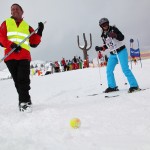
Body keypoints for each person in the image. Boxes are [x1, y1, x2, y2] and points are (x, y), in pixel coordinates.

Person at [0, 3, 44, 112]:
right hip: (10, 56)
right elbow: (1, 37)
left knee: (23, 79)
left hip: (24, 56)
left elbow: (34, 42)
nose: (14, 10)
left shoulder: (27, 26)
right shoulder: (6, 23)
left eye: (16, 9)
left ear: (22, 11)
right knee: (17, 81)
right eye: (12, 9)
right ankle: (26, 100)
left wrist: (40, 31)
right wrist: (11, 44)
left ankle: (24, 103)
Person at [95, 18, 140, 93]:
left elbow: (122, 37)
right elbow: (108, 45)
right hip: (112, 54)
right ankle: (112, 87)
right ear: (101, 26)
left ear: (108, 23)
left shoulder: (113, 29)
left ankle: (134, 85)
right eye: (103, 25)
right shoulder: (103, 35)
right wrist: (101, 48)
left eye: (106, 24)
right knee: (109, 70)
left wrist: (115, 35)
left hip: (121, 51)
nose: (105, 26)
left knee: (125, 69)